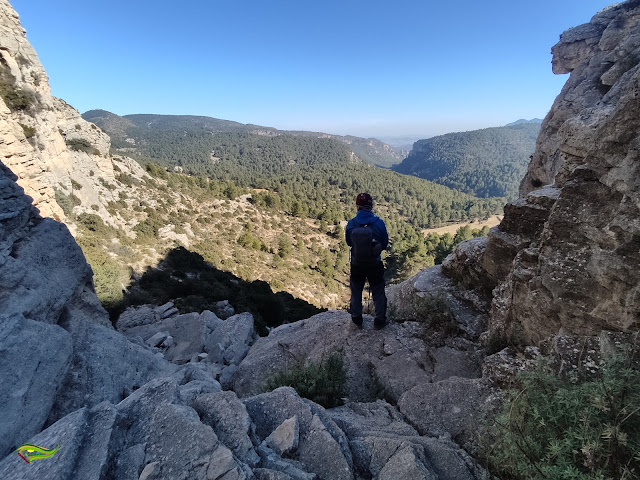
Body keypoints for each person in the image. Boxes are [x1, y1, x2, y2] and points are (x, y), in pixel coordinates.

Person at [345, 193, 389, 329]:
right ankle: (380, 320)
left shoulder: (352, 224)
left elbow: (348, 242)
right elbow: (385, 243)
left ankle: (357, 318)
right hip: (374, 263)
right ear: (371, 206)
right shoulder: (379, 223)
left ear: (357, 206)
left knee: (356, 289)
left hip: (357, 263)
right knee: (378, 290)